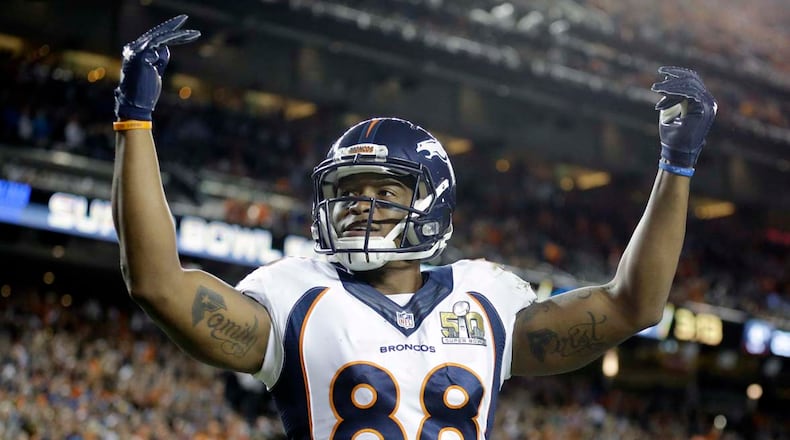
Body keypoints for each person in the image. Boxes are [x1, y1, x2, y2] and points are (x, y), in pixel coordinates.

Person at [111, 15, 717, 439]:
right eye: (347, 192)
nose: (359, 205)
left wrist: (676, 165)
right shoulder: (295, 297)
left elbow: (633, 305)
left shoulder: (485, 300)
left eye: (383, 191)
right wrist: (134, 122)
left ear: (432, 205)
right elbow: (157, 282)